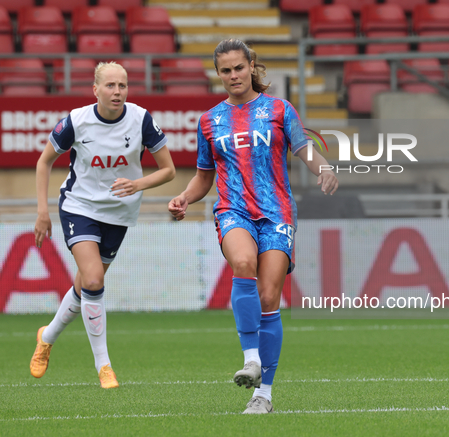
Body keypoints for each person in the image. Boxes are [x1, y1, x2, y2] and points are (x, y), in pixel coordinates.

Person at [168, 39, 338, 414]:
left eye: (238, 68)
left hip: (277, 213)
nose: (233, 75)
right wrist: (184, 197)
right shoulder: (209, 121)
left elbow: (303, 148)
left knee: (268, 298)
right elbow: (203, 176)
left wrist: (323, 166)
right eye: (225, 70)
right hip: (233, 210)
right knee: (243, 264)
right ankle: (251, 359)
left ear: (251, 67)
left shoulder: (278, 109)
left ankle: (264, 395)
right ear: (218, 75)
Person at [31, 61, 176, 389]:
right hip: (79, 206)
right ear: (95, 89)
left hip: (119, 214)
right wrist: (42, 211)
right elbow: (44, 162)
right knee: (94, 280)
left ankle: (47, 336)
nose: (117, 92)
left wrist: (139, 185)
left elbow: (168, 170)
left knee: (85, 286)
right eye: (110, 86)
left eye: (122, 86)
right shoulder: (77, 121)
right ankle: (104, 366)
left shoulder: (141, 119)